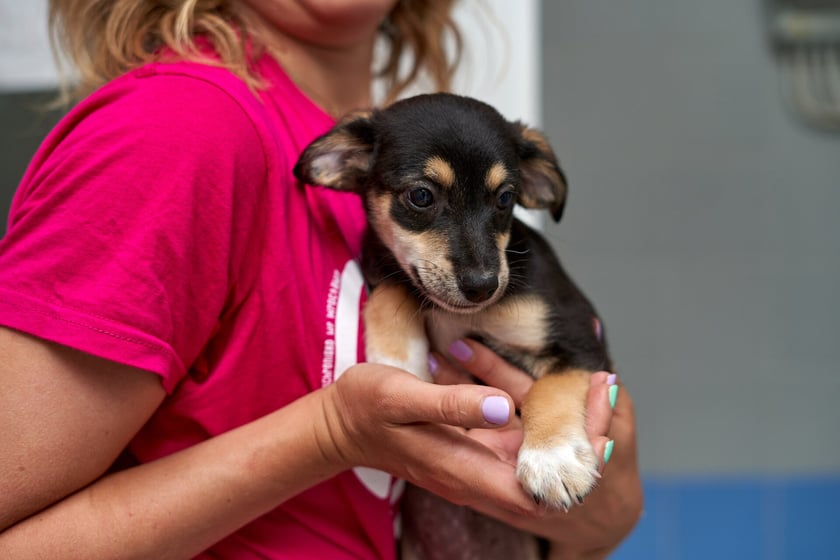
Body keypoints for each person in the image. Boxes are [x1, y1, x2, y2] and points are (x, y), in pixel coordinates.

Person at [0, 1, 643, 558]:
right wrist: (331, 433)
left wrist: (598, 511)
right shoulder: (175, 132)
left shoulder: (372, 153)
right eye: (422, 198)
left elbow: (579, 522)